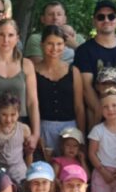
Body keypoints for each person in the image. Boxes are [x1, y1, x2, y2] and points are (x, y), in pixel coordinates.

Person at [0, 19, 41, 150]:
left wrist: (35, 134)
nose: (6, 40)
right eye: (1, 34)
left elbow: (33, 102)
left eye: (10, 35)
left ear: (17, 38)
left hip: (20, 124)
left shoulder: (26, 65)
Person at [74, 0, 116, 122]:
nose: (106, 20)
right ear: (94, 21)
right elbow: (86, 88)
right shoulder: (84, 51)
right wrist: (107, 115)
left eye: (111, 16)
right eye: (101, 17)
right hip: (97, 120)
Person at [32, 24, 84, 154]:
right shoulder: (32, 70)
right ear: (42, 44)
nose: (55, 48)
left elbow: (79, 107)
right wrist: (35, 132)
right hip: (42, 127)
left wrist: (81, 136)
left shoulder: (73, 71)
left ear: (64, 45)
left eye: (59, 44)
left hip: (69, 129)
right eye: (50, 43)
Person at [0, 93, 31, 185]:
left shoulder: (24, 129)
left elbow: (29, 152)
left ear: (19, 113)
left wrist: (29, 171)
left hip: (19, 171)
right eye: (4, 114)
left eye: (13, 115)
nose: (8, 119)